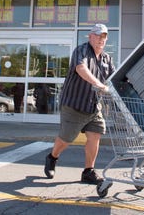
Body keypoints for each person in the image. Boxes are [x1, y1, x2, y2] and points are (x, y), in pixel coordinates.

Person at [44, 23, 115, 184]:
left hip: (93, 107)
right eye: (97, 35)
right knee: (66, 139)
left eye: (103, 36)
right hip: (74, 104)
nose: (100, 39)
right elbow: (81, 68)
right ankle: (52, 157)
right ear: (90, 36)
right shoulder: (82, 50)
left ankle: (88, 171)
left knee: (95, 135)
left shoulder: (107, 59)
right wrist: (98, 84)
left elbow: (114, 79)